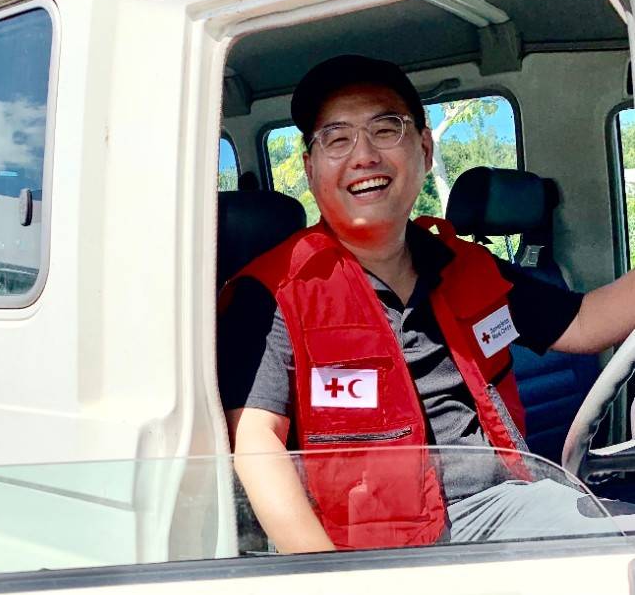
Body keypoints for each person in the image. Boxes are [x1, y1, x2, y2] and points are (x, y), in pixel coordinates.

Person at [218, 54, 635, 552]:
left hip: (501, 508)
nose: (363, 155)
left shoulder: (466, 265)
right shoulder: (272, 292)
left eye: (385, 129)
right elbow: (257, 443)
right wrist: (323, 581)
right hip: (367, 544)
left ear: (424, 146)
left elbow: (585, 322)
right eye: (336, 138)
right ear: (310, 168)